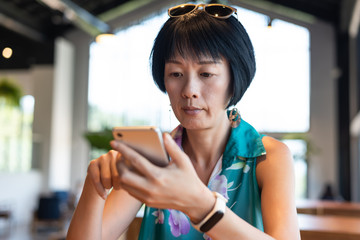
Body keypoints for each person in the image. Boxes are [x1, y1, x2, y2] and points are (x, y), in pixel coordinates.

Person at [67, 3, 300, 240]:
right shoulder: (151, 158)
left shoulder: (266, 157)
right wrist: (94, 187)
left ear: (234, 78)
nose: (189, 90)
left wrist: (201, 205)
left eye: (206, 74)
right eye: (176, 74)